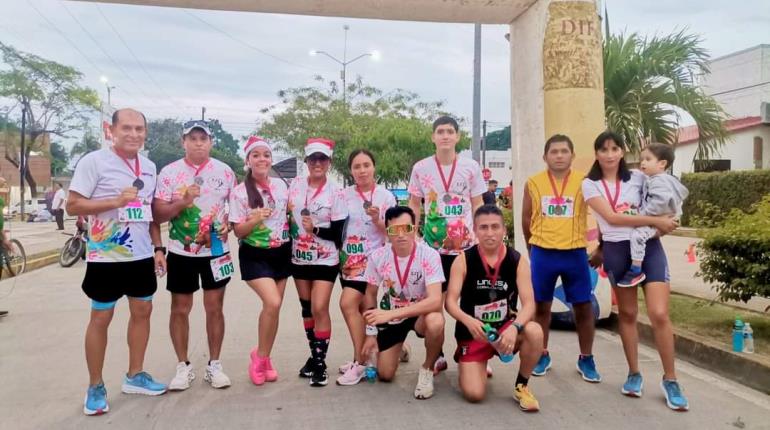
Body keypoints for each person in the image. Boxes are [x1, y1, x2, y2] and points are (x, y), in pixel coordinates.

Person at [67, 108, 167, 416]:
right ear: (111, 130)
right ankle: (95, 385)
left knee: (143, 311)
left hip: (139, 255)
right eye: (126, 128)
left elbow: (149, 212)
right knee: (101, 318)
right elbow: (73, 204)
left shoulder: (149, 166)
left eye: (139, 129)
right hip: (105, 256)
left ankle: (135, 375)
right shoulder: (94, 161)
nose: (133, 134)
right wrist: (114, 201)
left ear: (145, 133)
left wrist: (158, 248)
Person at [581, 130, 687, 410]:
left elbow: (665, 202)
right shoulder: (590, 184)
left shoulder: (640, 177)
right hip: (617, 253)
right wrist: (656, 221)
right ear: (597, 153)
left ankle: (671, 379)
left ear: (622, 151)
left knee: (660, 314)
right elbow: (613, 218)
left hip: (649, 249)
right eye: (604, 149)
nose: (610, 154)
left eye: (615, 148)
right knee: (628, 314)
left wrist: (663, 225)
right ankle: (634, 374)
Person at [152, 120, 236, 390]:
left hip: (215, 251)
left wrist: (229, 226)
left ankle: (214, 365)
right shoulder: (169, 173)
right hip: (181, 251)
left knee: (215, 308)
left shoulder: (225, 172)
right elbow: (157, 214)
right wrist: (183, 202)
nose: (198, 142)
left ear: (211, 142)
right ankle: (182, 366)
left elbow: (235, 209)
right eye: (193, 138)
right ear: (183, 142)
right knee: (180, 308)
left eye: (203, 138)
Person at [408, 115, 485, 374]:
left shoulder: (471, 167)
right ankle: (437, 354)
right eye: (440, 131)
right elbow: (414, 204)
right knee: (435, 306)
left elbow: (477, 204)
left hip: (466, 248)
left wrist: (482, 235)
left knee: (470, 303)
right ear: (433, 137)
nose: (445, 136)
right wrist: (413, 234)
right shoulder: (421, 168)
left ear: (457, 137)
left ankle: (471, 351)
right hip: (433, 250)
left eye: (450, 131)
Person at [446, 205, 543, 411]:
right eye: (483, 227)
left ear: (504, 230)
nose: (490, 233)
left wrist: (514, 327)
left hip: (505, 329)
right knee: (474, 394)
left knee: (534, 331)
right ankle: (474, 361)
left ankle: (521, 386)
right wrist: (467, 320)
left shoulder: (517, 261)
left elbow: (529, 305)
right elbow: (450, 302)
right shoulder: (463, 260)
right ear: (475, 230)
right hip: (474, 332)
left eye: (495, 227)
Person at [521, 134, 599, 382]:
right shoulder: (533, 183)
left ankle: (586, 358)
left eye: (564, 151)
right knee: (541, 307)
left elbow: (604, 213)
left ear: (572, 156)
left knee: (583, 307)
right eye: (554, 152)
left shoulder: (585, 182)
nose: (559, 156)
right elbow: (526, 218)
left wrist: (602, 247)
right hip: (543, 252)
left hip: (575, 253)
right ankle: (542, 353)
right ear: (545, 157)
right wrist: (532, 249)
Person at [362, 206, 445, 399]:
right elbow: (369, 294)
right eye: (393, 230)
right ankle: (402, 348)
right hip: (393, 319)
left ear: (414, 228)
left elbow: (434, 300)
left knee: (436, 321)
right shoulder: (378, 257)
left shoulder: (430, 255)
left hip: (419, 315)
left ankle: (427, 369)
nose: (401, 235)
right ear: (387, 232)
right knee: (385, 374)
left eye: (406, 228)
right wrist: (371, 334)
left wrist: (391, 314)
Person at [229, 136, 291, 386]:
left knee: (273, 310)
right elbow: (238, 232)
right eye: (256, 155)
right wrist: (254, 220)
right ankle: (260, 357)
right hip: (255, 254)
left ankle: (263, 357)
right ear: (248, 161)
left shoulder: (282, 186)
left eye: (266, 154)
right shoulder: (240, 192)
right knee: (272, 302)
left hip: (282, 252)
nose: (262, 159)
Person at [288, 138, 348, 387]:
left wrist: (316, 230)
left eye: (322, 159)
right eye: (313, 159)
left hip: (326, 259)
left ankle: (321, 363)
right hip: (299, 258)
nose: (317, 163)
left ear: (329, 162)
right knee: (306, 308)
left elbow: (338, 233)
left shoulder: (336, 192)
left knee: (319, 307)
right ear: (306, 161)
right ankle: (314, 356)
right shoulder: (294, 186)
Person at [336, 149, 397, 386]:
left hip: (372, 261)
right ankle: (372, 353)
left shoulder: (385, 197)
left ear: (374, 167)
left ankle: (359, 362)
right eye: (357, 166)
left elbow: (392, 232)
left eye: (366, 165)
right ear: (350, 170)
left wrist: (377, 219)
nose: (362, 170)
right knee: (363, 310)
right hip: (348, 261)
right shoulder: (343, 195)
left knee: (347, 303)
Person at [617, 143, 688, 287]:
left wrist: (642, 216)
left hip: (659, 217)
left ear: (662, 164)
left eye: (648, 159)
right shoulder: (656, 179)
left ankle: (636, 269)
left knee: (638, 236)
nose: (643, 163)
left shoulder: (658, 180)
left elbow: (660, 202)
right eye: (642, 159)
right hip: (662, 218)